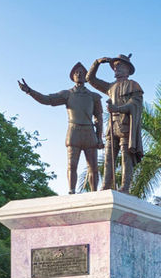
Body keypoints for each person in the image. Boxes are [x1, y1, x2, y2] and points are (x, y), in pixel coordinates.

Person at [18, 63, 102, 194]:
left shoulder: (94, 96)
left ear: (86, 77)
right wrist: (30, 91)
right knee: (72, 165)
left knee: (93, 167)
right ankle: (71, 190)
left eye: (82, 72)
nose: (79, 74)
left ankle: (94, 193)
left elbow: (99, 118)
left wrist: (100, 138)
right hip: (74, 132)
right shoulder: (67, 94)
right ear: (73, 77)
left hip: (89, 133)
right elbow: (47, 99)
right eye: (76, 73)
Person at [87, 54, 143, 192]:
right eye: (115, 66)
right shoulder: (110, 87)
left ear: (128, 70)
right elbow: (90, 79)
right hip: (111, 126)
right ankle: (106, 184)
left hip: (125, 126)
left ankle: (125, 186)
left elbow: (134, 105)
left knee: (126, 158)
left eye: (120, 66)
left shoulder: (134, 85)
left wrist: (117, 109)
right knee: (108, 158)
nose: (116, 68)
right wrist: (97, 63)